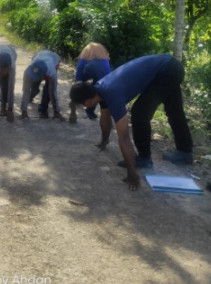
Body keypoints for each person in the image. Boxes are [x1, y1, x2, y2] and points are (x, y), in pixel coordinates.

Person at [69, 54, 193, 191]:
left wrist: (132, 172)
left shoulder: (111, 93)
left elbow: (124, 136)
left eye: (83, 104)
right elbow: (105, 119)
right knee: (174, 111)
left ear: (88, 99)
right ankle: (185, 152)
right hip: (170, 66)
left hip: (166, 71)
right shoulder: (99, 90)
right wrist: (104, 140)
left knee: (139, 114)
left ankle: (145, 158)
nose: (84, 107)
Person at [69, 42, 111, 122]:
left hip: (85, 60)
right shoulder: (103, 51)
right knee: (103, 89)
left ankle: (73, 113)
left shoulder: (87, 50)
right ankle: (95, 111)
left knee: (77, 88)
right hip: (101, 64)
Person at [21, 50, 64, 120]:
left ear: (44, 76)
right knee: (34, 86)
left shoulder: (52, 73)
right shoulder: (28, 71)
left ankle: (43, 109)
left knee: (48, 90)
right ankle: (32, 95)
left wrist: (56, 111)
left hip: (54, 58)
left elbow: (53, 92)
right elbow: (26, 90)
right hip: (39, 55)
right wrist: (24, 110)